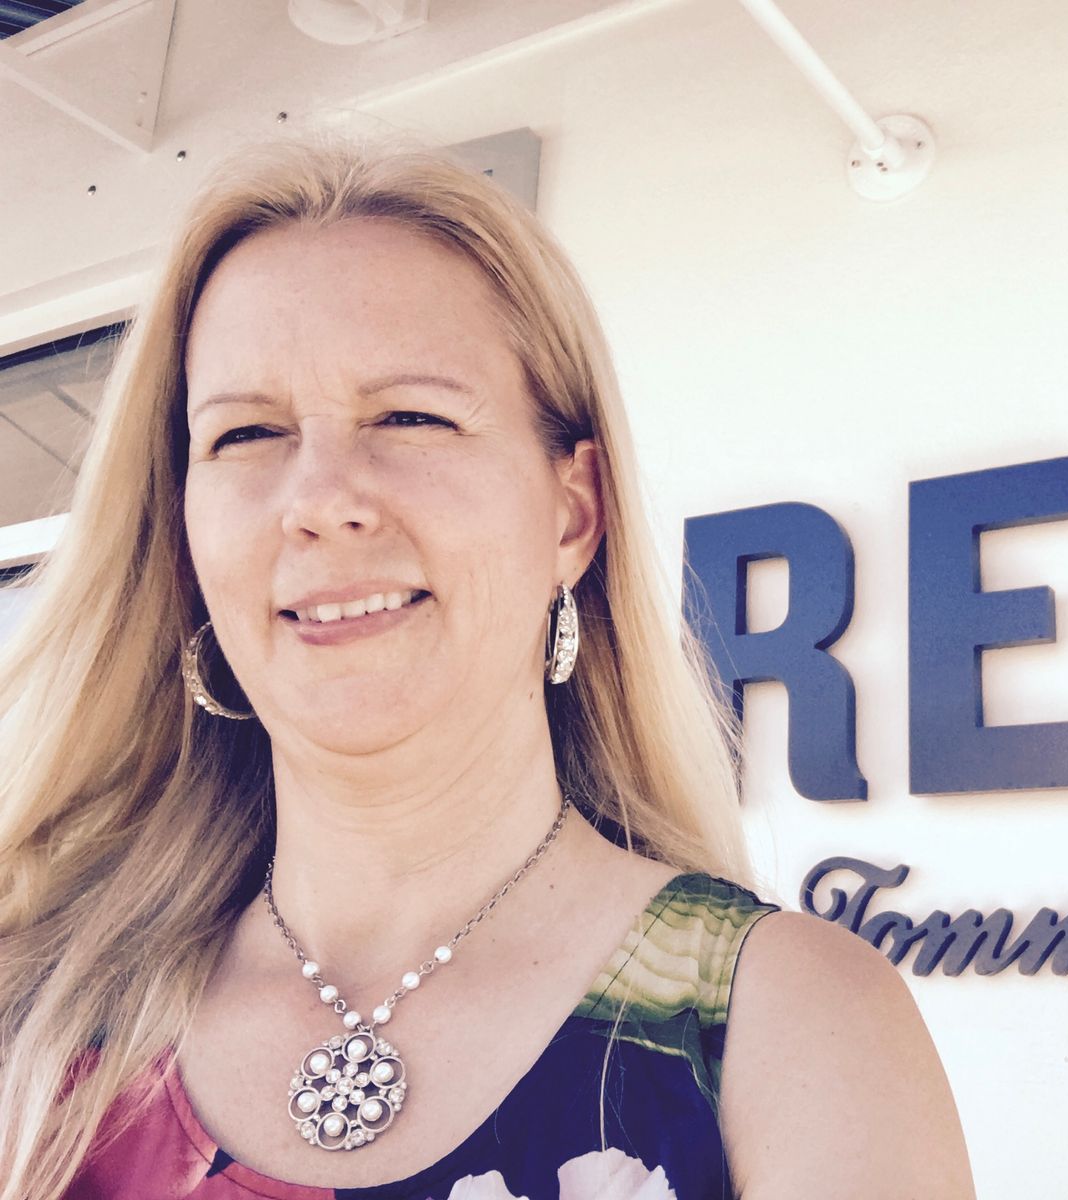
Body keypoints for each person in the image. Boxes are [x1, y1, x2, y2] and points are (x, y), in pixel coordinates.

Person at [0, 130, 976, 1200]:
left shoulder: (783, 1025)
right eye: (246, 434)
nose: (318, 498)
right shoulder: (35, 1026)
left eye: (410, 416)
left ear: (572, 512)